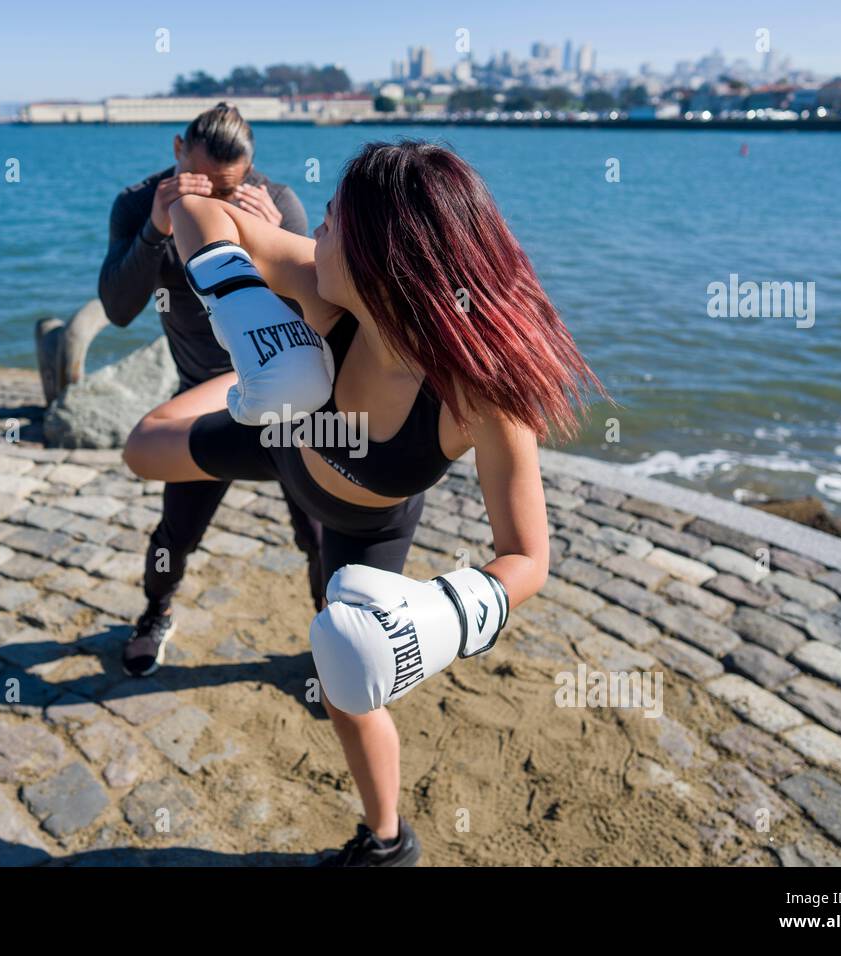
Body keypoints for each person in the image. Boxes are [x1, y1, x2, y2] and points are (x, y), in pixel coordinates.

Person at [123, 140, 603, 866]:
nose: (315, 226)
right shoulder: (320, 286)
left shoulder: (475, 396)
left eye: (333, 218)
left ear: (383, 260)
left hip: (364, 523)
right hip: (282, 433)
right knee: (142, 445)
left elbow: (528, 556)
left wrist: (451, 609)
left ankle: (387, 842)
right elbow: (194, 209)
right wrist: (241, 297)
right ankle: (268, 369)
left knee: (349, 685)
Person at [99, 103, 322, 677]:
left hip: (289, 400)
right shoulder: (139, 203)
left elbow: (320, 318)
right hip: (203, 396)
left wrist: (275, 236)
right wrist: (155, 229)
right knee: (178, 527)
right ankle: (155, 614)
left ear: (250, 169)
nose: (219, 203)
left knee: (320, 528)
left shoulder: (278, 202)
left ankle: (333, 636)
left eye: (233, 186)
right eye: (203, 186)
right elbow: (118, 310)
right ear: (178, 151)